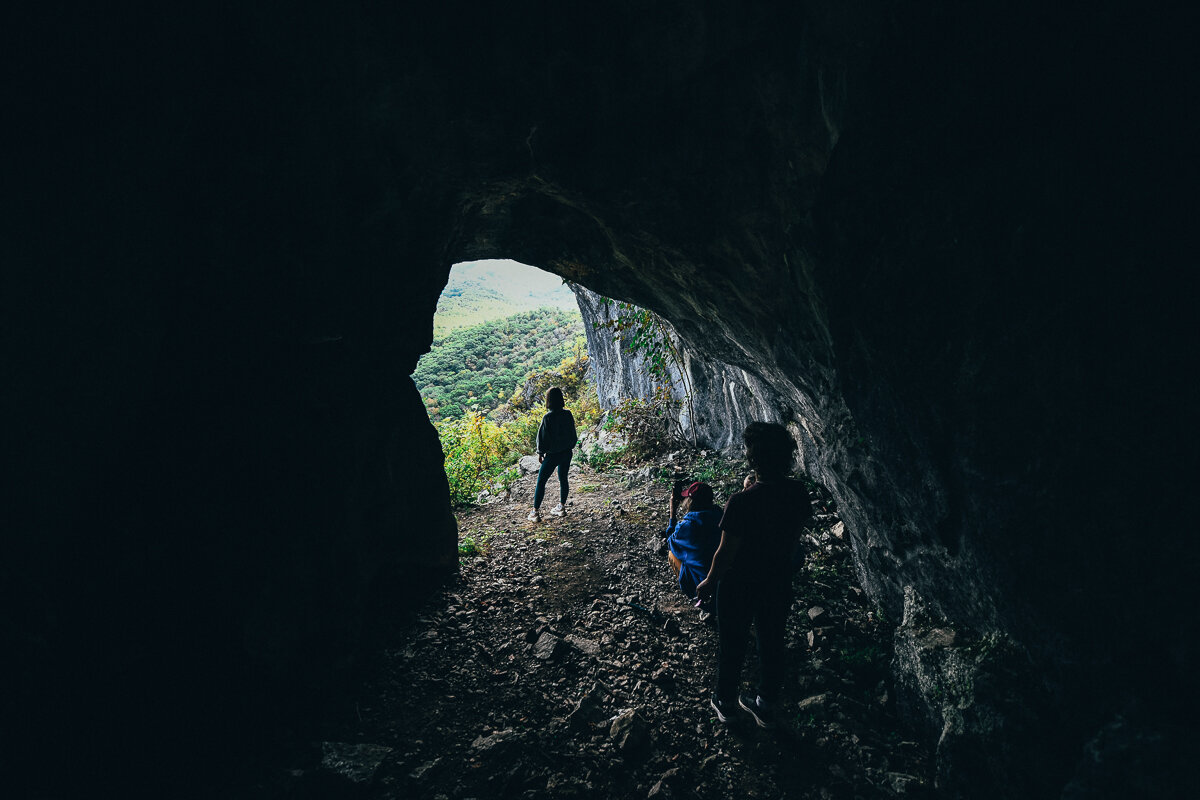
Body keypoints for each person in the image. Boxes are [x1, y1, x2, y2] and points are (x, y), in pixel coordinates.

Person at [696, 422, 812, 729]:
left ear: (754, 459)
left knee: (733, 642)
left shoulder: (741, 502)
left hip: (739, 584)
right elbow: (793, 540)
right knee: (771, 641)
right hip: (777, 579)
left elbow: (725, 553)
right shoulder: (799, 493)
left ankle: (725, 703)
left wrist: (708, 582)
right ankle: (766, 703)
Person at [664, 482, 722, 617]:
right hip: (723, 576)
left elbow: (670, 540)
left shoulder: (689, 525)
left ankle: (698, 597)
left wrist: (672, 513)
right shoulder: (720, 515)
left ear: (690, 501)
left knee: (672, 554)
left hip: (706, 583)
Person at [528, 387, 578, 522]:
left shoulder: (548, 417)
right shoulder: (568, 414)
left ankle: (535, 512)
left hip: (552, 455)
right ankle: (561, 507)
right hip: (566, 453)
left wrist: (540, 453)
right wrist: (570, 446)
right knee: (563, 479)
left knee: (541, 481)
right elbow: (573, 434)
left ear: (548, 400)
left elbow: (542, 437)